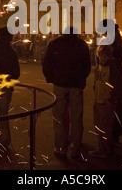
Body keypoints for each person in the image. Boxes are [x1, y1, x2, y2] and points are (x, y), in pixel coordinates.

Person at [42, 27, 91, 159]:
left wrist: (50, 77)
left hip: (60, 83)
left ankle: (60, 147)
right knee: (76, 118)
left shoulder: (55, 43)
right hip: (76, 85)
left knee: (59, 117)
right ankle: (75, 148)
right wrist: (82, 79)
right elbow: (87, 65)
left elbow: (46, 62)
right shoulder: (82, 45)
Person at [89, 45, 122, 158]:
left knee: (105, 127)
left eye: (106, 56)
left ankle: (104, 150)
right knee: (98, 125)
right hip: (99, 100)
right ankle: (101, 147)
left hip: (106, 102)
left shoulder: (112, 70)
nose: (103, 58)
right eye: (101, 55)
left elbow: (118, 86)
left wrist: (111, 99)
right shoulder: (98, 68)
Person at [0, 26, 20, 151]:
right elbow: (16, 72)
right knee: (3, 114)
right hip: (6, 86)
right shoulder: (11, 52)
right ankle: (4, 142)